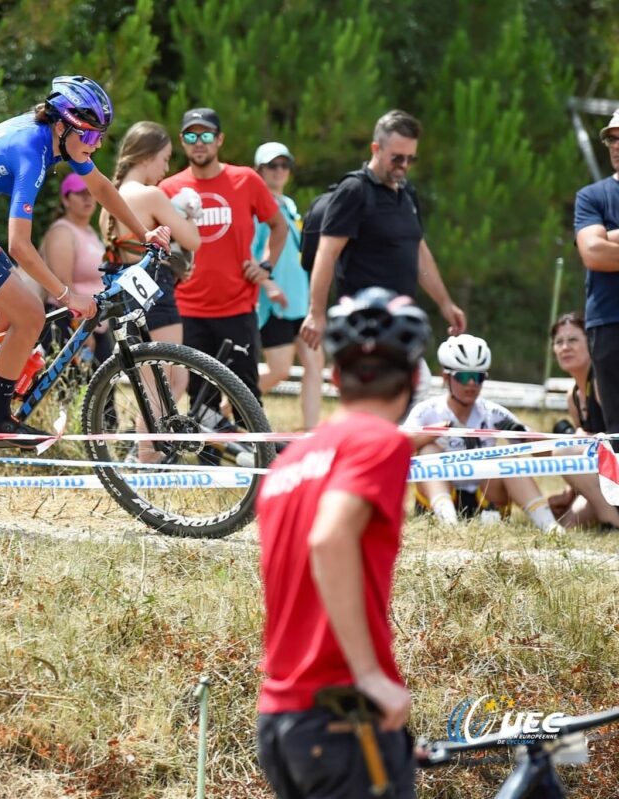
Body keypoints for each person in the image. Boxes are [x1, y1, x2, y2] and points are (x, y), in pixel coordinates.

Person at [0, 75, 170, 444]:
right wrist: (67, 296)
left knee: (14, 308)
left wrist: (144, 233)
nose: (95, 145)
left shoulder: (57, 139)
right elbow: (20, 246)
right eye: (90, 136)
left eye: (101, 137)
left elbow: (102, 187)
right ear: (63, 125)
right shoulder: (32, 151)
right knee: (30, 314)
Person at [255, 287, 431, 799]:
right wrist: (370, 677)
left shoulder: (290, 462)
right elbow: (329, 539)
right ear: (416, 378)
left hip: (285, 722)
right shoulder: (380, 442)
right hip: (340, 712)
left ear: (334, 376)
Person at [300, 111, 466, 370]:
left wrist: (445, 303)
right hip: (363, 327)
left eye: (411, 159)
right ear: (376, 148)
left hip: (400, 325)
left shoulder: (407, 193)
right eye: (397, 158)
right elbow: (327, 253)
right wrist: (316, 313)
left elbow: (419, 253)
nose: (404, 165)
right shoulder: (354, 190)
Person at [158, 107, 288, 401]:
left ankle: (252, 448)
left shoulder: (246, 180)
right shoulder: (168, 189)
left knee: (247, 399)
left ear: (220, 140)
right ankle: (212, 448)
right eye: (192, 135)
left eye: (206, 134)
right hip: (187, 311)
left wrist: (266, 265)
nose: (199, 141)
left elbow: (280, 227)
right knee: (202, 402)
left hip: (237, 309)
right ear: (182, 140)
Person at [404, 334, 562, 533]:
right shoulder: (426, 410)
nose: (471, 383)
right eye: (463, 376)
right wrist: (435, 431)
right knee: (428, 450)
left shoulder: (493, 412)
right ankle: (448, 522)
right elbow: (399, 447)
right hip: (440, 495)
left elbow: (545, 452)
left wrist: (525, 437)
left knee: (509, 456)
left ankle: (550, 527)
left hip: (486, 498)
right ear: (446, 378)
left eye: (478, 377)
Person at [99, 121, 201, 352]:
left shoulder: (108, 204)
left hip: (121, 289)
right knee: (173, 377)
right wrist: (192, 211)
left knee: (145, 377)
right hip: (153, 286)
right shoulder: (151, 196)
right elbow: (193, 241)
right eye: (164, 159)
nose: (166, 169)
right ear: (146, 157)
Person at [252, 142, 323, 430]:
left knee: (316, 366)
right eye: (272, 165)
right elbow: (249, 256)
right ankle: (225, 408)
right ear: (259, 170)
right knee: (280, 370)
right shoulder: (257, 210)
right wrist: (269, 286)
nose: (279, 171)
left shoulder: (290, 205)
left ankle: (311, 432)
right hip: (273, 305)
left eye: (284, 165)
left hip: (299, 302)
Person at [546, 312, 619, 528]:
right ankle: (609, 517)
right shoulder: (572, 395)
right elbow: (583, 459)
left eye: (573, 340)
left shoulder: (601, 381)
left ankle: (613, 524)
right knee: (566, 524)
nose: (565, 347)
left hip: (615, 472)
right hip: (606, 479)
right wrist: (569, 493)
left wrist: (585, 439)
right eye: (559, 342)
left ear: (591, 343)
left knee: (562, 450)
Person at [573, 108, 619, 435]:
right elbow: (593, 252)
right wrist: (600, 241)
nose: (616, 145)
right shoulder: (592, 196)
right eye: (612, 139)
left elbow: (602, 246)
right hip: (609, 323)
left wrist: (609, 236)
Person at [37, 172, 112, 364]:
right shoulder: (62, 231)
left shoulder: (90, 232)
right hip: (67, 322)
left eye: (90, 192)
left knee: (104, 391)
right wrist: (81, 330)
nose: (87, 198)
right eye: (80, 193)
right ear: (66, 199)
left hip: (97, 323)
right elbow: (63, 284)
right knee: (71, 391)